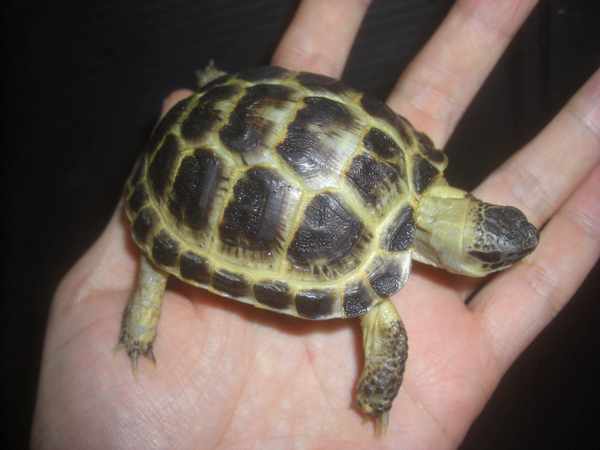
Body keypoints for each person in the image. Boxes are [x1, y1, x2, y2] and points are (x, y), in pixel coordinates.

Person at [31, 0, 600, 448]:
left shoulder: (404, 153)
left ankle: (217, 86)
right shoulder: (382, 306)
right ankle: (142, 314)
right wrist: (378, 397)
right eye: (491, 257)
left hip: (238, 101)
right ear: (462, 253)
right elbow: (387, 341)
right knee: (158, 261)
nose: (501, 261)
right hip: (189, 177)